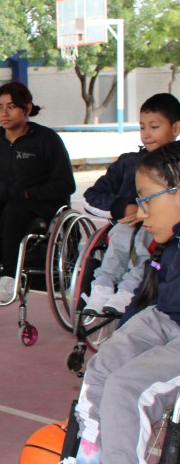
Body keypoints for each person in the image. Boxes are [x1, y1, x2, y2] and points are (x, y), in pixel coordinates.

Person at [0, 141, 180, 464]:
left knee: (128, 388)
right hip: (166, 317)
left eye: (148, 200)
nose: (142, 212)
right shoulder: (169, 241)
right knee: (102, 369)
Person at [0, 82, 75, 302]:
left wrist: (27, 193)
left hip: (39, 204)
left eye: (11, 106)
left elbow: (66, 184)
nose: (4, 113)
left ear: (27, 108)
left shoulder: (46, 139)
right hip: (3, 201)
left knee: (15, 210)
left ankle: (9, 277)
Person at [81, 93, 180, 316]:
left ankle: (129, 290)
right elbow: (91, 197)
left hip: (166, 231)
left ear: (175, 128)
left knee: (145, 240)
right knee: (122, 232)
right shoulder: (128, 163)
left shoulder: (177, 164)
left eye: (154, 127)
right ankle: (102, 287)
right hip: (127, 225)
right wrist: (125, 208)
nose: (146, 134)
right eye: (142, 127)